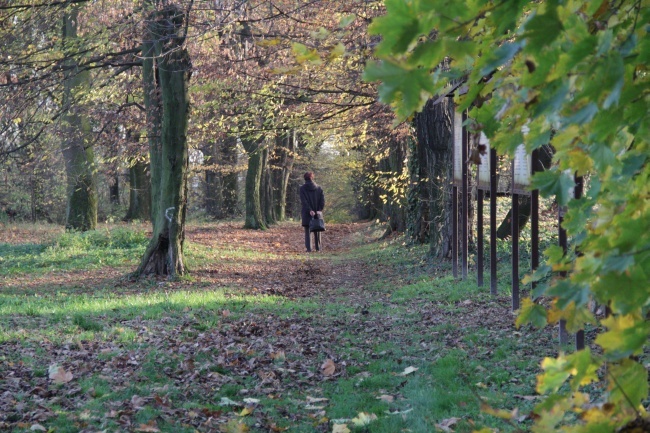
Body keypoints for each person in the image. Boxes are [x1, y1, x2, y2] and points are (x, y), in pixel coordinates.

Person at [299, 172, 325, 252]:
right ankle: (318, 248)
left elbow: (304, 201)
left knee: (307, 230)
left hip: (307, 212)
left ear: (305, 179)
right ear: (312, 178)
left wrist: (310, 210)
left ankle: (309, 248)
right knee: (317, 229)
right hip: (317, 212)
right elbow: (322, 200)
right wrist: (319, 210)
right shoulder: (319, 188)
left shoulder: (302, 188)